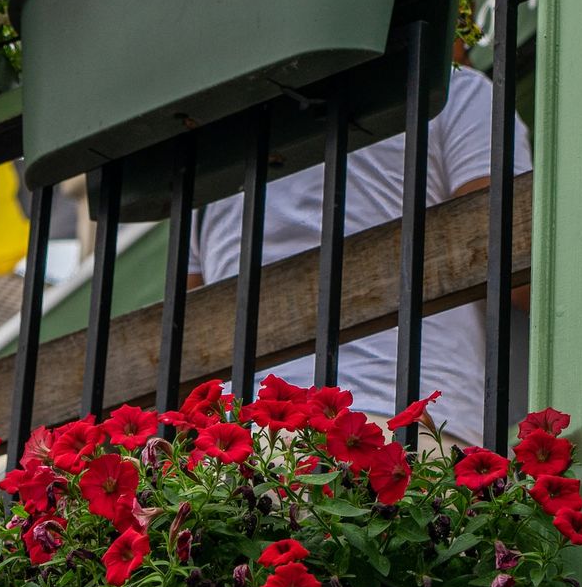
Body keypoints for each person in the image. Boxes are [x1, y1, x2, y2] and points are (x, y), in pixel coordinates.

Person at [186, 63, 531, 447]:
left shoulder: (216, 147)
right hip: (403, 423)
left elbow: (188, 336)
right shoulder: (451, 88)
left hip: (247, 444)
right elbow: (516, 271)